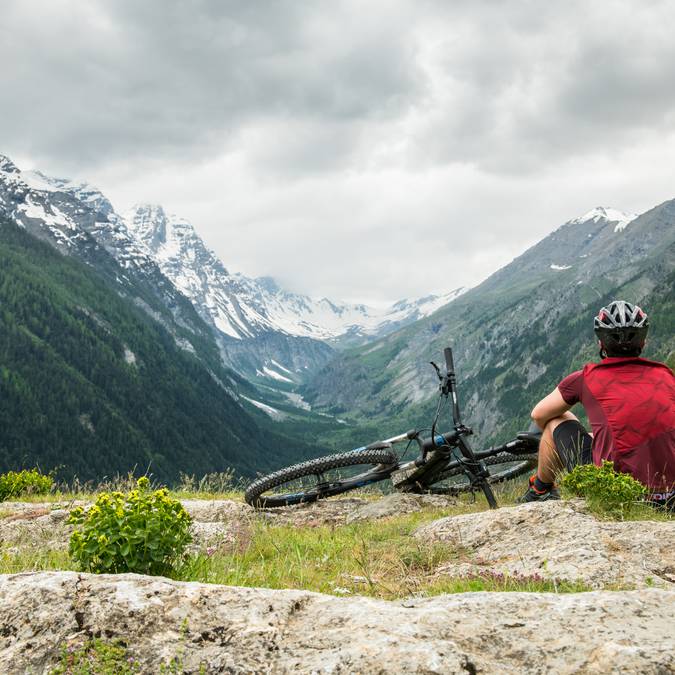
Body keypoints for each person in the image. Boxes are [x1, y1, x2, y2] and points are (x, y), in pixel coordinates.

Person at [519, 299, 675, 507]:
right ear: (643, 342)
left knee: (556, 420)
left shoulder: (586, 377)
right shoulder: (666, 375)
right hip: (670, 498)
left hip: (616, 493)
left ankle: (539, 490)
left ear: (601, 343)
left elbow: (538, 414)